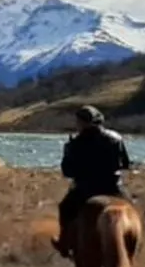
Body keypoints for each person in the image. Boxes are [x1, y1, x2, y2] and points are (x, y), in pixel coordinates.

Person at [52, 106, 131, 259]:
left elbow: (67, 171)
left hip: (85, 190)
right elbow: (125, 164)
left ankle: (64, 242)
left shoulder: (74, 143)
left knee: (65, 208)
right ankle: (135, 242)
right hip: (113, 187)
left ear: (82, 122)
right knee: (132, 208)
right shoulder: (116, 138)